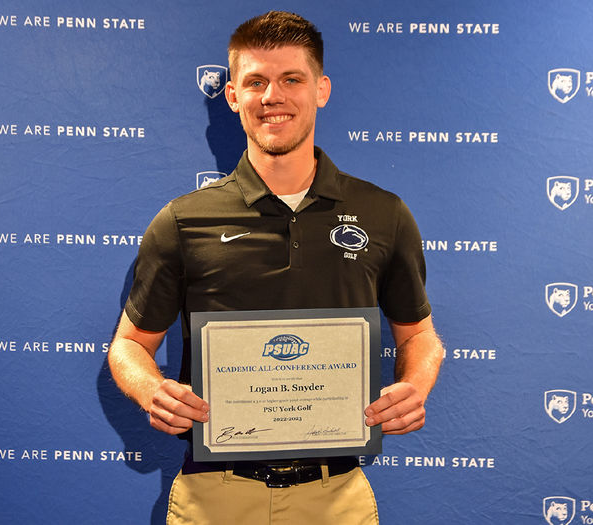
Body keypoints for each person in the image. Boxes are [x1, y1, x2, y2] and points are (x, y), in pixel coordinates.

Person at [108, 10, 444, 524]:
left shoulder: (384, 213)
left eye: (292, 79)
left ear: (321, 89)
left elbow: (420, 335)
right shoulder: (183, 220)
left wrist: (415, 386)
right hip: (213, 496)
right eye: (256, 82)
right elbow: (129, 345)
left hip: (336, 497)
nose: (273, 97)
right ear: (233, 96)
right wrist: (151, 390)